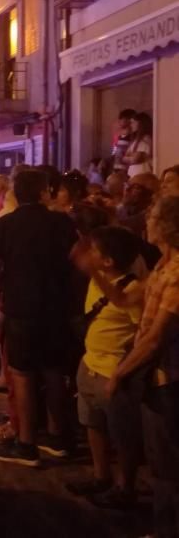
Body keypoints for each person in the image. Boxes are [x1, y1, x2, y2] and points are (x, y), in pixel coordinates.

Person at [0, 170, 79, 467]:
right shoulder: (62, 222)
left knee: (22, 376)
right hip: (56, 308)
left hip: (21, 308)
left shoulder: (6, 225)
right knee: (53, 373)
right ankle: (57, 437)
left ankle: (26, 444)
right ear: (42, 193)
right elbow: (77, 258)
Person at [108, 195, 179, 537]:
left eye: (151, 220)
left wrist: (120, 372)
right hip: (154, 375)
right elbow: (124, 300)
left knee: (167, 464)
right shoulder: (163, 266)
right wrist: (94, 268)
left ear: (167, 227)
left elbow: (157, 338)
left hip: (169, 376)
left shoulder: (178, 273)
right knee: (157, 456)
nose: (146, 225)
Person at [66, 225, 144, 509]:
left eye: (95, 253)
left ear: (109, 261)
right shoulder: (98, 279)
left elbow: (141, 332)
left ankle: (126, 486)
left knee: (122, 434)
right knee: (92, 423)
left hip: (112, 371)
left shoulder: (133, 289)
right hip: (89, 363)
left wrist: (125, 369)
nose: (90, 255)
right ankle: (102, 477)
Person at [124, 111, 153, 177]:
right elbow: (124, 157)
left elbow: (136, 158)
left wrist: (131, 155)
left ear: (140, 123)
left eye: (133, 122)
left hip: (141, 173)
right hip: (132, 173)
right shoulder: (135, 140)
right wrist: (133, 155)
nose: (131, 125)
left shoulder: (146, 139)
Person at [111, 108, 136, 174]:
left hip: (126, 168)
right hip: (116, 165)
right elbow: (115, 149)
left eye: (122, 119)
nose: (120, 121)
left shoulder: (133, 137)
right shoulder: (118, 136)